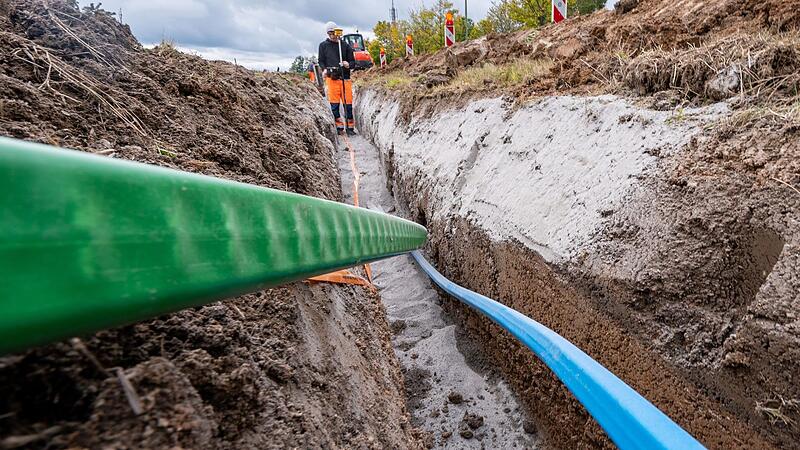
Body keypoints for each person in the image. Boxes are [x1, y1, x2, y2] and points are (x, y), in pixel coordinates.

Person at [319, 21, 356, 136]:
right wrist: (324, 69)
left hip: (345, 79)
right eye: (330, 33)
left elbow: (353, 62)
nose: (333, 35)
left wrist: (348, 64)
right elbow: (321, 61)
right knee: (334, 105)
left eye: (334, 33)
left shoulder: (345, 45)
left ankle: (350, 128)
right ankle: (339, 128)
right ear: (328, 33)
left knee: (348, 105)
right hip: (332, 79)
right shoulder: (323, 46)